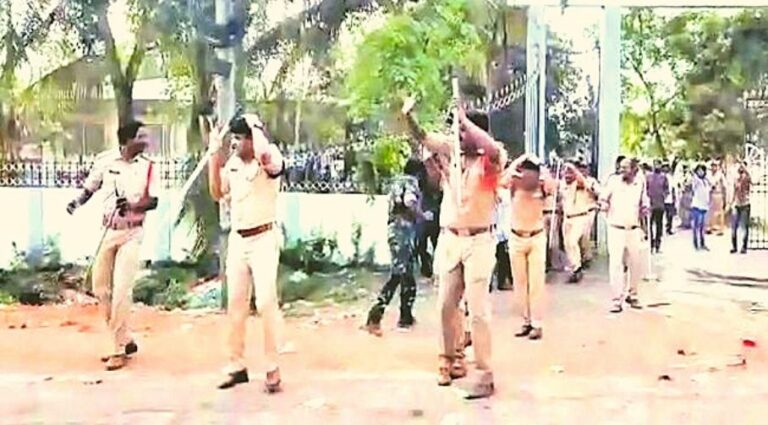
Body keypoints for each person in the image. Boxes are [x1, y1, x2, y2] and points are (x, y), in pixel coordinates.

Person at [403, 96, 506, 399]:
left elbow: (490, 147)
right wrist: (409, 116)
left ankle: (485, 374)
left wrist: (465, 121)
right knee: (446, 305)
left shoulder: (492, 159)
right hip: (450, 239)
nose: (458, 136)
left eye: (463, 132)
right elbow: (424, 138)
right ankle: (449, 359)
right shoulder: (453, 154)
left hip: (479, 241)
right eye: (458, 131)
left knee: (478, 311)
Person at [66, 121, 159, 371]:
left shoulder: (149, 167)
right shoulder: (106, 161)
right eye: (141, 136)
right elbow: (90, 188)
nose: (146, 141)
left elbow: (153, 202)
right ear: (127, 140)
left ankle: (117, 350)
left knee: (122, 291)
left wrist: (132, 205)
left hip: (133, 232)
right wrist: (76, 203)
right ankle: (125, 338)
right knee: (101, 289)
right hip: (108, 231)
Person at [208, 114, 285, 393]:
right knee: (236, 304)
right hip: (239, 240)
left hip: (264, 238)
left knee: (265, 302)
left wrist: (255, 124)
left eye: (241, 138)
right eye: (234, 138)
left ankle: (272, 367)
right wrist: (213, 155)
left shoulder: (270, 155)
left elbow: (265, 157)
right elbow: (217, 193)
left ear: (253, 139)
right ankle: (236, 366)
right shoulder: (233, 164)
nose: (235, 143)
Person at [364, 159, 425, 335]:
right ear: (418, 173)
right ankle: (376, 315)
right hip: (403, 231)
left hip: (395, 230)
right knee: (399, 274)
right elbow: (409, 202)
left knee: (407, 274)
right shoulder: (411, 182)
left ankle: (406, 317)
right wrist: (422, 215)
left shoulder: (397, 182)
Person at [501, 153, 556, 338]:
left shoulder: (541, 186)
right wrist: (519, 160)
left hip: (536, 237)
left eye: (532, 171)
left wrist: (541, 166)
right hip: (517, 237)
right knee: (519, 283)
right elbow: (502, 181)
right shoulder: (515, 185)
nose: (529, 176)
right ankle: (525, 321)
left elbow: (553, 187)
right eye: (526, 171)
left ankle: (537, 323)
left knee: (536, 283)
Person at [600, 158, 648, 313]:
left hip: (633, 229)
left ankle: (632, 295)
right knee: (616, 264)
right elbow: (603, 198)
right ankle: (616, 299)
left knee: (635, 263)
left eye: (625, 168)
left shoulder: (640, 182)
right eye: (620, 167)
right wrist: (604, 204)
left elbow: (644, 201)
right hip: (616, 229)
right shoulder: (613, 181)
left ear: (634, 170)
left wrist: (645, 208)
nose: (621, 170)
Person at [560, 161, 596, 284]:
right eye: (565, 173)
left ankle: (577, 268)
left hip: (580, 217)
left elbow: (582, 181)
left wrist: (573, 169)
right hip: (567, 218)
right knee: (567, 245)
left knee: (573, 241)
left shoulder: (580, 183)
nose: (567, 176)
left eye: (570, 173)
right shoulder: (563, 185)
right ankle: (574, 267)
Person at [646, 159, 669, 253]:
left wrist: (663, 196)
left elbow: (667, 189)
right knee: (650, 226)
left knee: (659, 225)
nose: (657, 166)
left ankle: (657, 245)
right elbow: (645, 188)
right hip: (650, 204)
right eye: (655, 164)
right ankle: (651, 245)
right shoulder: (648, 177)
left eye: (658, 164)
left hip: (660, 204)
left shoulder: (664, 177)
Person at [492, 187, 513, 290]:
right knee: (502, 256)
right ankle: (501, 281)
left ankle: (506, 280)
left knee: (505, 256)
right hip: (501, 229)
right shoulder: (499, 192)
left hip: (506, 228)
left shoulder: (511, 192)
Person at [730, 162, 752, 254]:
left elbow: (752, 180)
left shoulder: (747, 178)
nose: (740, 168)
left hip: (745, 204)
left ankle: (744, 247)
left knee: (744, 227)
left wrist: (745, 169)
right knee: (734, 227)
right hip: (737, 204)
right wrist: (731, 202)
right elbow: (734, 191)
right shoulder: (736, 179)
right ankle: (734, 247)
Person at [690, 164, 711, 251]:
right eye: (698, 170)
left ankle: (702, 243)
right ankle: (696, 244)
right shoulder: (696, 180)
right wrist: (694, 172)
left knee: (702, 226)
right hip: (697, 206)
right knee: (696, 226)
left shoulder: (706, 181)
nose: (700, 172)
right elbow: (694, 177)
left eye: (702, 170)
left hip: (704, 206)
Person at [707, 161, 726, 235]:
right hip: (711, 194)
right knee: (711, 212)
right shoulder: (709, 175)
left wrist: (724, 196)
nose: (713, 167)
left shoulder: (720, 175)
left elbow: (724, 186)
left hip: (718, 194)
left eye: (715, 166)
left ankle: (721, 229)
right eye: (712, 166)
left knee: (720, 212)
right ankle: (711, 227)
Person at [662, 163, 676, 235]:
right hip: (662, 199)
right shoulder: (661, 177)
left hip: (669, 199)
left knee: (670, 215)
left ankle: (668, 228)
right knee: (662, 215)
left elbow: (673, 188)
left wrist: (674, 197)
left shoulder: (670, 177)